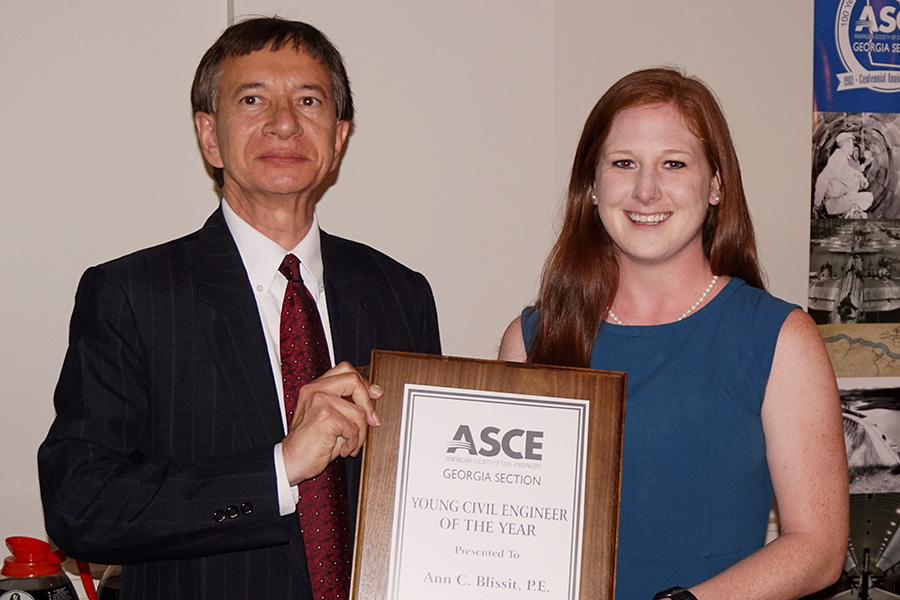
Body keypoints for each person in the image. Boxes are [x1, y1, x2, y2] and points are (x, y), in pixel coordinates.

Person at [38, 17, 441, 600]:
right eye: (253, 99)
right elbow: (82, 505)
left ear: (340, 135)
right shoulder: (132, 294)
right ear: (209, 136)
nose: (284, 122)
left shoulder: (401, 292)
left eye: (309, 100)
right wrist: (279, 469)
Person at [498, 68, 848, 599]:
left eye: (674, 164)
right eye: (623, 164)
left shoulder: (779, 338)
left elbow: (819, 549)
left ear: (715, 187)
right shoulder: (530, 340)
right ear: (592, 187)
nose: (645, 189)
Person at [814, 131, 874, 218]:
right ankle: (851, 212)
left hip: (836, 199)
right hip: (832, 203)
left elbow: (849, 171)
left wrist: (861, 176)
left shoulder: (841, 157)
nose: (853, 146)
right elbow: (822, 179)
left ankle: (852, 209)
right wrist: (817, 204)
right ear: (847, 145)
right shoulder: (838, 159)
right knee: (868, 197)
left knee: (857, 181)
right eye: (852, 144)